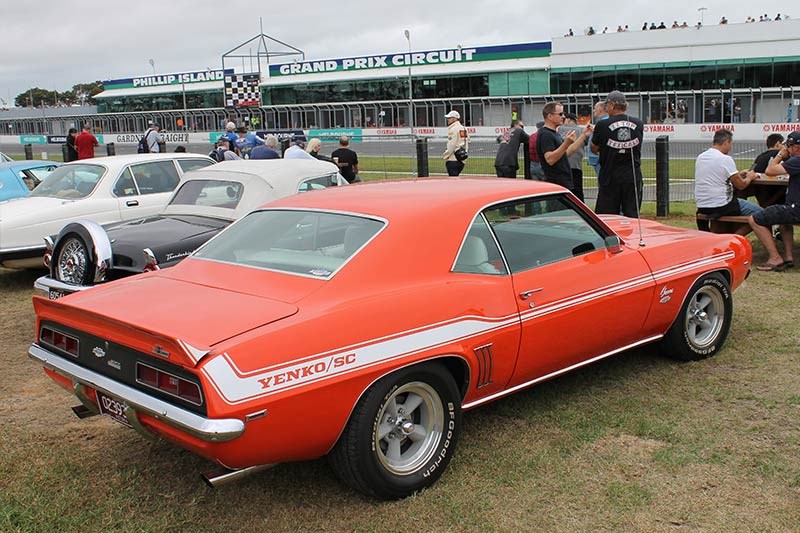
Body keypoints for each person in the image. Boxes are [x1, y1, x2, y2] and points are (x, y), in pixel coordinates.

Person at [748, 130, 800, 271]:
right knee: (783, 219)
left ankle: (775, 258)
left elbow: (770, 170)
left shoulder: (797, 160)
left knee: (754, 219)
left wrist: (780, 155)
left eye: (788, 146)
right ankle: (788, 257)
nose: (786, 149)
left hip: (796, 210)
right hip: (793, 207)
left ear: (795, 147)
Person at [693, 129, 762, 234]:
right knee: (761, 214)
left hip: (703, 205)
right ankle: (734, 238)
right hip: (722, 205)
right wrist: (750, 177)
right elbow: (741, 185)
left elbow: (716, 175)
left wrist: (738, 174)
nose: (730, 147)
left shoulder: (701, 157)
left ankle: (725, 236)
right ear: (726, 142)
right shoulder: (725, 159)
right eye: (730, 144)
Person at [590, 91, 645, 217]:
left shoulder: (602, 124)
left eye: (607, 105)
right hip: (632, 176)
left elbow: (594, 148)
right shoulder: (638, 124)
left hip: (610, 176)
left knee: (607, 216)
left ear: (612, 105)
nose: (606, 108)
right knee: (632, 214)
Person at [536, 102, 592, 193]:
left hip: (563, 182)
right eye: (560, 114)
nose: (563, 117)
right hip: (555, 183)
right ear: (550, 116)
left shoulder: (554, 133)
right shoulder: (546, 134)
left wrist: (583, 135)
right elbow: (550, 159)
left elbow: (566, 153)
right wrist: (566, 143)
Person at [737, 134, 786, 207]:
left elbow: (751, 171)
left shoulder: (760, 157)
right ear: (778, 144)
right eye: (783, 144)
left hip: (762, 196)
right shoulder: (782, 156)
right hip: (780, 195)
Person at [560, 113, 587, 201]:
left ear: (567, 119)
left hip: (561, 165)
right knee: (577, 192)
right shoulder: (581, 130)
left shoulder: (559, 129)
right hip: (576, 165)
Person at [442, 110, 468, 176]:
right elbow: (466, 142)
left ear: (454, 119)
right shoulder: (464, 128)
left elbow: (451, 145)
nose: (448, 120)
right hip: (461, 159)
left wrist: (445, 155)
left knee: (452, 181)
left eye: (449, 118)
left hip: (453, 159)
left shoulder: (453, 129)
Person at [586, 101, 607, 177]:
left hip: (599, 159)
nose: (593, 110)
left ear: (601, 109)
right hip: (598, 159)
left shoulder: (603, 123)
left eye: (595, 108)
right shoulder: (600, 122)